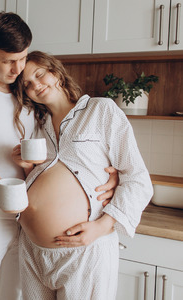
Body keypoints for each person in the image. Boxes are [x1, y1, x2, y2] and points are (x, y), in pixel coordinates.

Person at [0, 12, 119, 300]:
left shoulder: (29, 95)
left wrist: (111, 171)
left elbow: (67, 146)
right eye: (8, 61)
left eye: (23, 57)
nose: (18, 68)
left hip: (27, 222)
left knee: (12, 296)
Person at [10, 51, 153, 299]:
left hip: (84, 251)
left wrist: (103, 225)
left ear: (56, 71)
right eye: (27, 85)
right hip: (32, 250)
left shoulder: (100, 110)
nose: (36, 85)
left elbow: (136, 177)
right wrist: (25, 167)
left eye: (40, 74)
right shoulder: (37, 126)